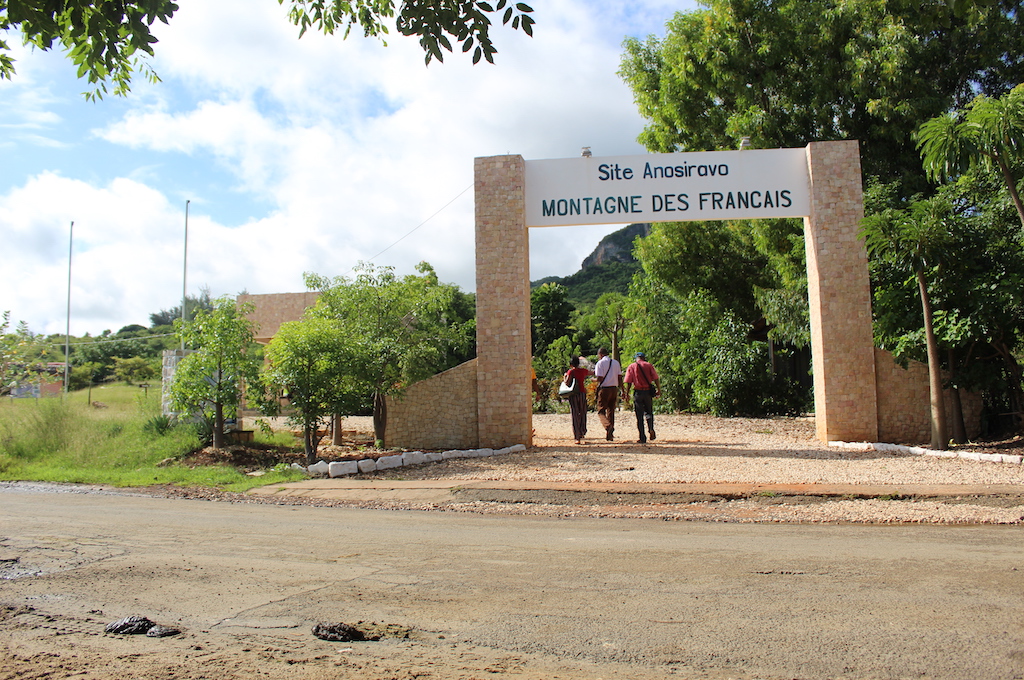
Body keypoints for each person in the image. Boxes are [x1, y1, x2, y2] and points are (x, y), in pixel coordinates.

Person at [623, 352, 661, 444]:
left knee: (639, 416)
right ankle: (651, 428)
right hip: (648, 392)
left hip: (638, 392)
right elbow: (656, 378)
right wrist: (659, 389)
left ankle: (642, 437)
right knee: (649, 412)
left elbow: (628, 381)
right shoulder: (649, 365)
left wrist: (627, 393)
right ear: (644, 358)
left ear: (636, 358)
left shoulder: (632, 366)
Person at [593, 347, 623, 441]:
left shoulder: (600, 363)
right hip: (614, 389)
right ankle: (610, 435)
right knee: (611, 410)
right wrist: (623, 390)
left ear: (600, 354)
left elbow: (600, 378)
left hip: (604, 389)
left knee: (601, 411)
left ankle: (608, 426)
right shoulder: (615, 363)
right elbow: (619, 377)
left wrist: (593, 380)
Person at [563, 355, 591, 445]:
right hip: (582, 393)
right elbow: (592, 373)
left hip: (574, 394)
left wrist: (565, 377)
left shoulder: (571, 372)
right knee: (583, 412)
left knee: (575, 414)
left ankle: (577, 436)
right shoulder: (583, 371)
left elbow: (567, 383)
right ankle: (583, 431)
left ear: (571, 364)